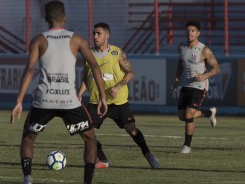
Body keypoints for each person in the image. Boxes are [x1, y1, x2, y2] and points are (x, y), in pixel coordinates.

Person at [10, 1, 107, 184]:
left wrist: (19, 101)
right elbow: (94, 65)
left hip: (44, 100)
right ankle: (87, 182)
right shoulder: (76, 39)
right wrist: (102, 96)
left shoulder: (38, 40)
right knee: (90, 139)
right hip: (69, 101)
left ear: (45, 19)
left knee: (28, 139)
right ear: (65, 18)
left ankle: (28, 178)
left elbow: (30, 70)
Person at [78, 22, 159, 169]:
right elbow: (86, 76)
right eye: (94, 34)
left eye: (98, 34)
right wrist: (79, 93)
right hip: (96, 102)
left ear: (107, 36)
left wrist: (118, 86)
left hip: (118, 102)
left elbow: (131, 73)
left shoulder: (117, 53)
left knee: (132, 131)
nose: (95, 37)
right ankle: (103, 160)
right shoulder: (88, 54)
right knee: (85, 132)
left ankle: (147, 153)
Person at [171, 20, 220, 154]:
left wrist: (203, 76)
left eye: (193, 30)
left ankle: (187, 146)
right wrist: (176, 79)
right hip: (185, 85)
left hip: (199, 86)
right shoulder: (181, 47)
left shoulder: (204, 50)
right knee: (181, 116)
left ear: (198, 33)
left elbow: (216, 68)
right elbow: (181, 64)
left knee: (188, 114)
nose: (190, 33)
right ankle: (209, 113)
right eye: (188, 30)